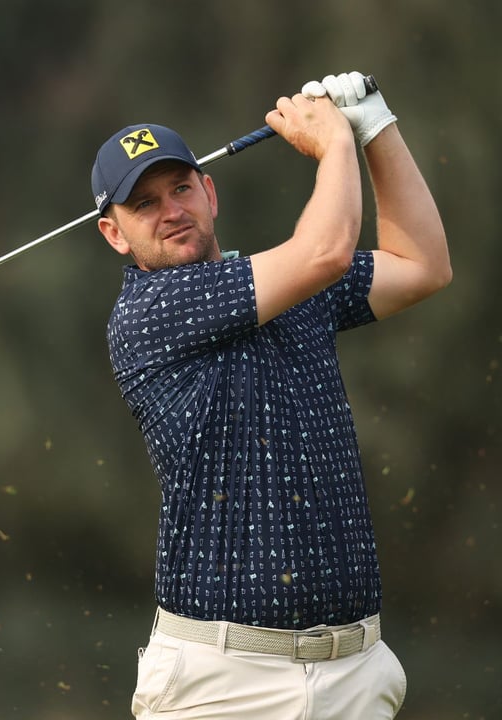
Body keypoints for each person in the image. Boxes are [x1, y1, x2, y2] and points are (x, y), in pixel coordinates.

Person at [92, 72, 449, 718]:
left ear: (210, 193)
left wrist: (375, 127)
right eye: (144, 204)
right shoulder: (147, 312)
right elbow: (327, 251)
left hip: (355, 674)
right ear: (115, 235)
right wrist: (335, 142)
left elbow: (424, 264)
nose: (171, 210)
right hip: (222, 683)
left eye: (180, 188)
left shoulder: (286, 287)